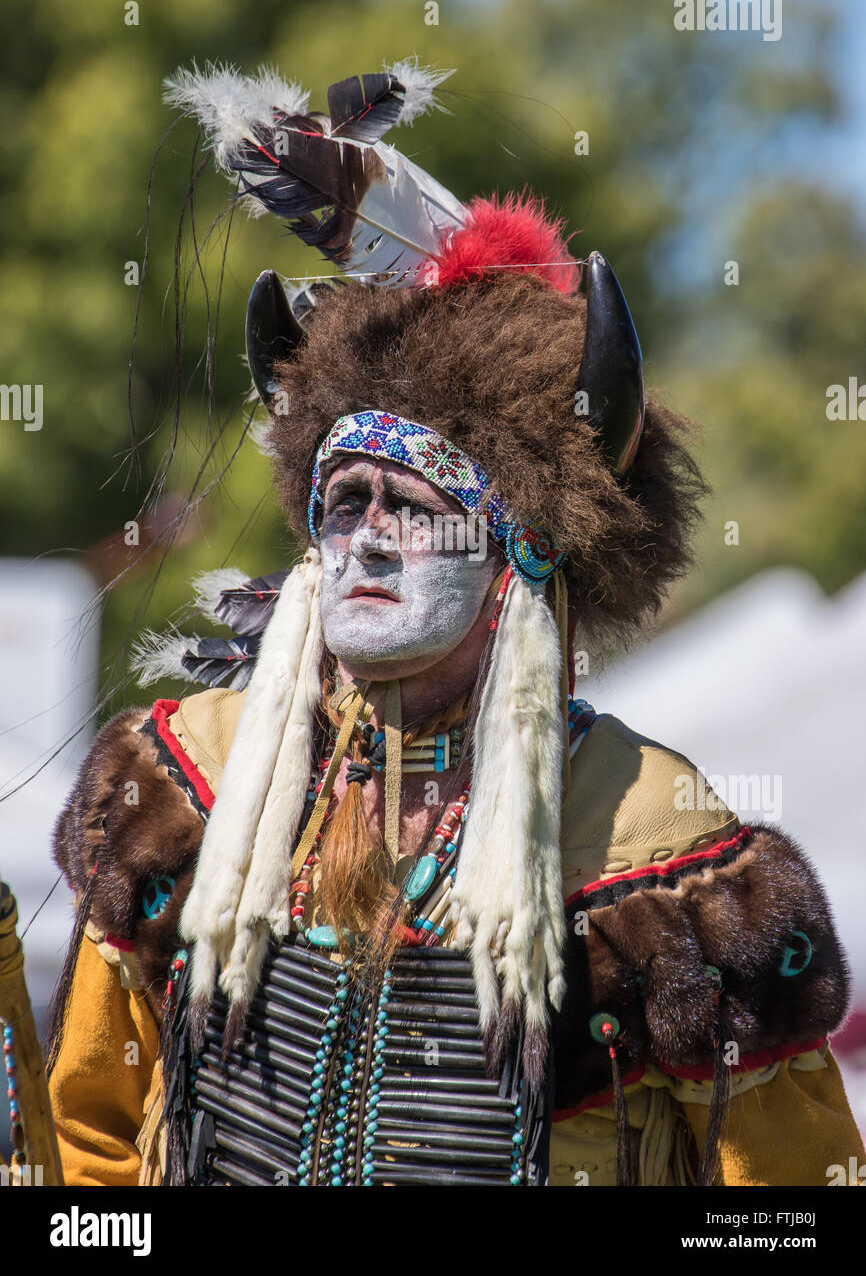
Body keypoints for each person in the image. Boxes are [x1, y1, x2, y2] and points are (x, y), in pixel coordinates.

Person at [46, 62, 864, 1187]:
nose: (368, 539)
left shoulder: (658, 846)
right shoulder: (186, 780)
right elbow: (84, 1150)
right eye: (343, 504)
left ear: (513, 565)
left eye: (416, 509)